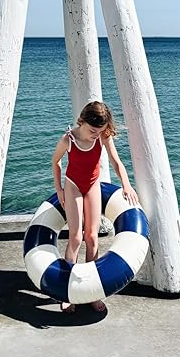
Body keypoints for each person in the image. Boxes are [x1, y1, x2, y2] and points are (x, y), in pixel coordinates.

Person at [51, 100, 139, 313]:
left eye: (98, 131)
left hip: (92, 186)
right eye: (92, 130)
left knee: (92, 238)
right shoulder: (68, 139)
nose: (94, 135)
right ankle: (67, 292)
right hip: (72, 186)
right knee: (76, 238)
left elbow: (116, 162)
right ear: (82, 121)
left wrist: (127, 185)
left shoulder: (103, 136)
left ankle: (92, 292)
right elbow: (55, 162)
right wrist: (60, 190)